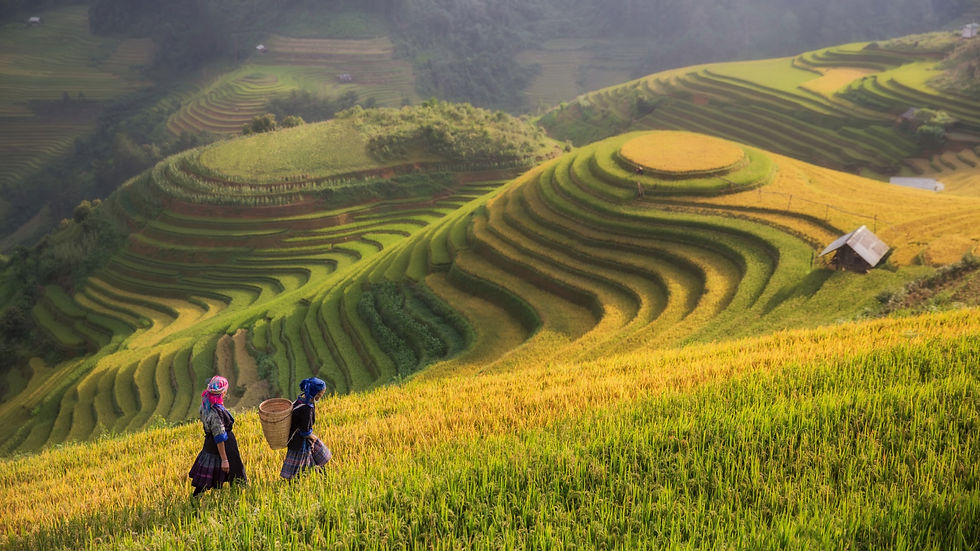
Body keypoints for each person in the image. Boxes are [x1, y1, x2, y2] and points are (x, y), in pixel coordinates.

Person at [188, 375, 247, 496]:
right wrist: (224, 459)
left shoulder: (206, 404)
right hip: (223, 444)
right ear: (223, 392)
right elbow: (219, 436)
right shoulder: (215, 412)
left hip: (210, 442)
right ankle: (240, 495)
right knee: (235, 470)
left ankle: (197, 496)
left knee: (209, 471)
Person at [280, 377, 332, 480]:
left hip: (294, 438)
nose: (322, 395)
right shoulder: (307, 409)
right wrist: (313, 437)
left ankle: (324, 478)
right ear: (316, 393)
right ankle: (295, 482)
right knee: (299, 466)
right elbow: (305, 431)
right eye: (321, 393)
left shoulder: (300, 400)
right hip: (299, 441)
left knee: (313, 459)